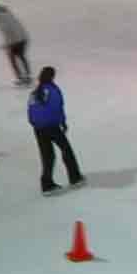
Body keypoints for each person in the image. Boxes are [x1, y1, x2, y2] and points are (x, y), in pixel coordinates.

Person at [27, 66, 84, 195]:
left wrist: (35, 123)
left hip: (38, 128)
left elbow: (30, 111)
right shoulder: (53, 90)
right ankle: (75, 177)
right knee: (66, 150)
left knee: (47, 155)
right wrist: (62, 122)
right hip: (51, 126)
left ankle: (46, 184)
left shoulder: (34, 92)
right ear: (52, 77)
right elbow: (57, 107)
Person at [0, 0, 31, 85]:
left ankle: (21, 77)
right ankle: (27, 76)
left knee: (12, 58)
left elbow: (7, 30)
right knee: (21, 56)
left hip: (15, 39)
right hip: (22, 36)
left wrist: (8, 44)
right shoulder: (5, 10)